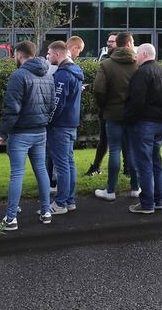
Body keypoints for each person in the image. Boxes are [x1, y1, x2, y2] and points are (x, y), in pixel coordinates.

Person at [0, 41, 55, 231]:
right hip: (40, 130)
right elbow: (52, 105)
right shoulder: (48, 75)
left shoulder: (18, 76)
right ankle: (46, 212)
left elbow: (12, 109)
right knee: (42, 170)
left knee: (17, 174)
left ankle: (11, 219)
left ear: (19, 54)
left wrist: (2, 133)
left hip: (20, 133)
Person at [93, 32, 141, 201]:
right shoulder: (138, 64)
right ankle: (135, 188)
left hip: (112, 113)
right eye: (133, 41)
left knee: (114, 150)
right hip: (133, 114)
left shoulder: (106, 64)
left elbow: (98, 89)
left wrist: (105, 105)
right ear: (128, 44)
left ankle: (111, 190)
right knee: (133, 151)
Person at [126, 43, 162, 214]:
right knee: (156, 163)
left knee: (144, 164)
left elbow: (136, 101)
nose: (135, 56)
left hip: (143, 123)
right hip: (160, 122)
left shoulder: (141, 73)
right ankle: (159, 199)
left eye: (137, 53)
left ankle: (147, 203)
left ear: (144, 54)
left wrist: (129, 118)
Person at [47, 40, 84, 215]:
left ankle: (60, 203)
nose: (48, 56)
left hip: (60, 126)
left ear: (58, 53)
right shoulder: (75, 71)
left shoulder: (62, 74)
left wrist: (48, 120)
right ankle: (69, 201)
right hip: (71, 124)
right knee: (68, 163)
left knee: (62, 165)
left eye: (49, 53)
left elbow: (56, 103)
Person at [87, 33, 116, 176]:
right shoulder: (105, 60)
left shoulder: (107, 63)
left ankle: (127, 171)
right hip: (108, 109)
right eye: (108, 41)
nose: (109, 44)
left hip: (110, 109)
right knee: (105, 140)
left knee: (117, 144)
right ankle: (96, 166)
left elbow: (98, 89)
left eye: (112, 42)